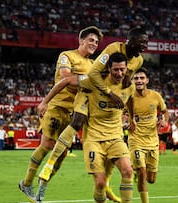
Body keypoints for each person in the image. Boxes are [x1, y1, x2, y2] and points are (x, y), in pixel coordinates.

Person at [38, 27, 148, 202]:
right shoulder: (113, 48)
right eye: (141, 42)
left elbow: (129, 81)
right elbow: (92, 73)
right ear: (130, 40)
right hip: (92, 84)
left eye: (146, 43)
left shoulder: (138, 61)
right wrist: (109, 92)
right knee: (77, 122)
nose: (145, 46)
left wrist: (130, 111)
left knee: (122, 171)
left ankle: (107, 189)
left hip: (111, 123)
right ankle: (50, 163)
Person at [18, 26, 104, 203]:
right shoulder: (66, 56)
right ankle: (26, 183)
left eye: (96, 42)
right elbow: (66, 77)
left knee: (62, 153)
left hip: (74, 113)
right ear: (81, 40)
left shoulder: (93, 64)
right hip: (58, 107)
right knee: (48, 144)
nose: (94, 44)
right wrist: (45, 102)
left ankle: (42, 188)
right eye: (91, 40)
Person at [81, 52, 135, 203]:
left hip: (115, 138)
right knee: (100, 182)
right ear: (109, 68)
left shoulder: (128, 86)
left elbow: (130, 99)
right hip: (93, 139)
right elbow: (68, 81)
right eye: (116, 69)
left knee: (128, 171)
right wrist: (46, 102)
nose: (120, 73)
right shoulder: (94, 82)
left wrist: (132, 117)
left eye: (122, 69)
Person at [128, 67, 169, 203]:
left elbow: (165, 112)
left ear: (147, 80)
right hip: (136, 140)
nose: (139, 80)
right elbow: (120, 114)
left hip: (152, 141)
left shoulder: (155, 96)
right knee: (142, 173)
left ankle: (136, 172)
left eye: (141, 78)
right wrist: (126, 122)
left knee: (151, 179)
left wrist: (164, 121)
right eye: (136, 78)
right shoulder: (129, 97)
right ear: (132, 80)